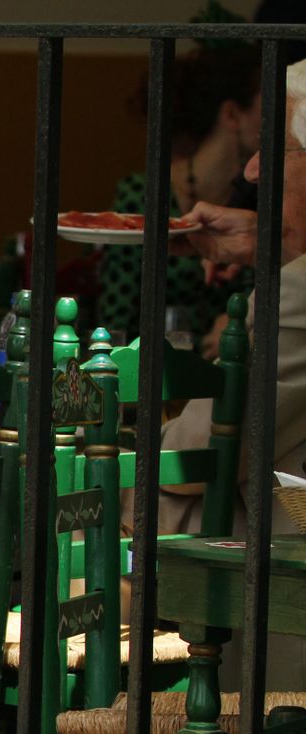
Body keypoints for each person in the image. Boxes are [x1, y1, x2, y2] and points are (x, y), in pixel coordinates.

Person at [150, 58, 306, 691]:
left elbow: (197, 458)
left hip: (288, 620)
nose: (252, 169)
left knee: (101, 500)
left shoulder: (297, 296)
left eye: (282, 149)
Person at [97, 45, 261, 347]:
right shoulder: (143, 195)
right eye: (265, 104)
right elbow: (115, 318)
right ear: (232, 115)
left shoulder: (261, 199)